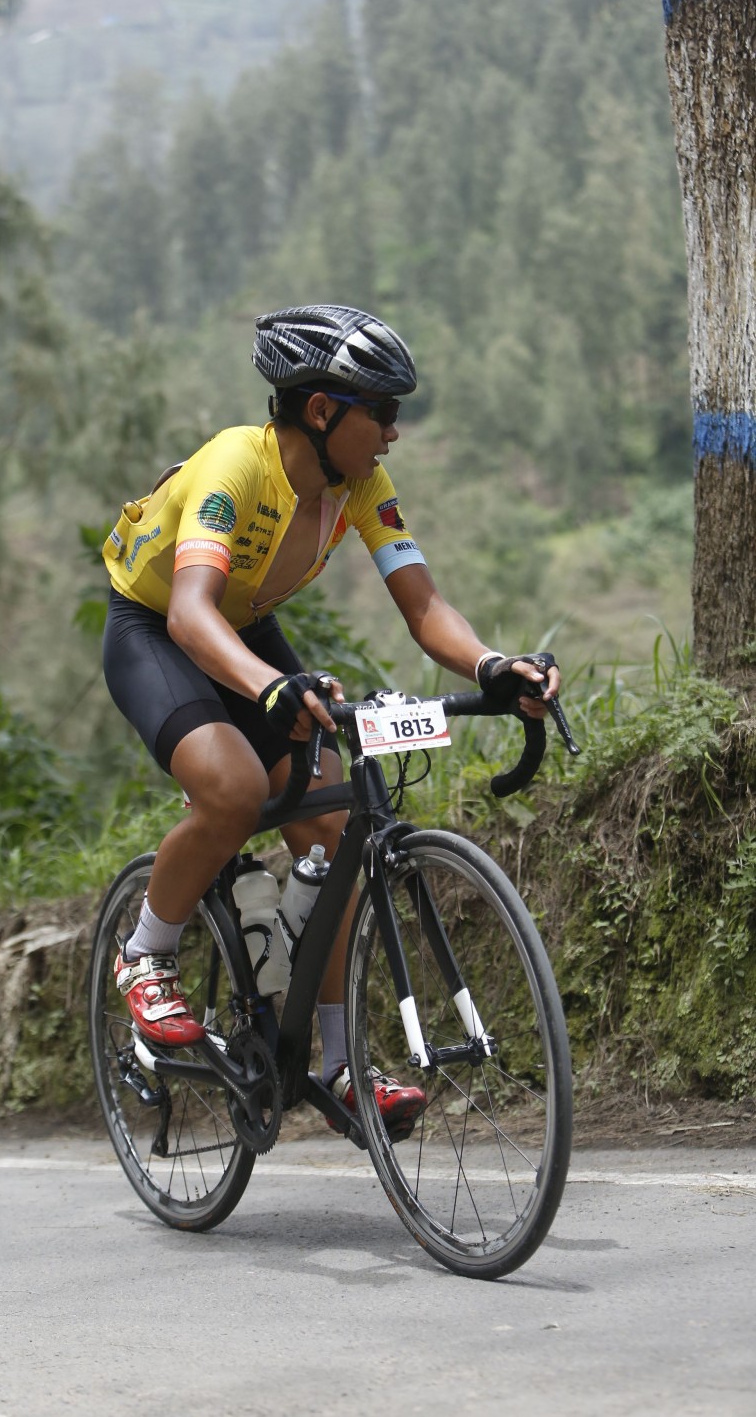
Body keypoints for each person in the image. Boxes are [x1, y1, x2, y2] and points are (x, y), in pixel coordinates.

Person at [101, 304, 560, 1134]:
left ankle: (343, 1066)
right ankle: (146, 955)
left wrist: (493, 666)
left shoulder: (361, 486)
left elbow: (424, 608)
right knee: (234, 788)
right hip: (159, 625)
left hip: (243, 627)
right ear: (321, 410)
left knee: (332, 826)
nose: (394, 431)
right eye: (381, 411)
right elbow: (191, 614)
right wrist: (269, 689)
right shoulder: (235, 466)